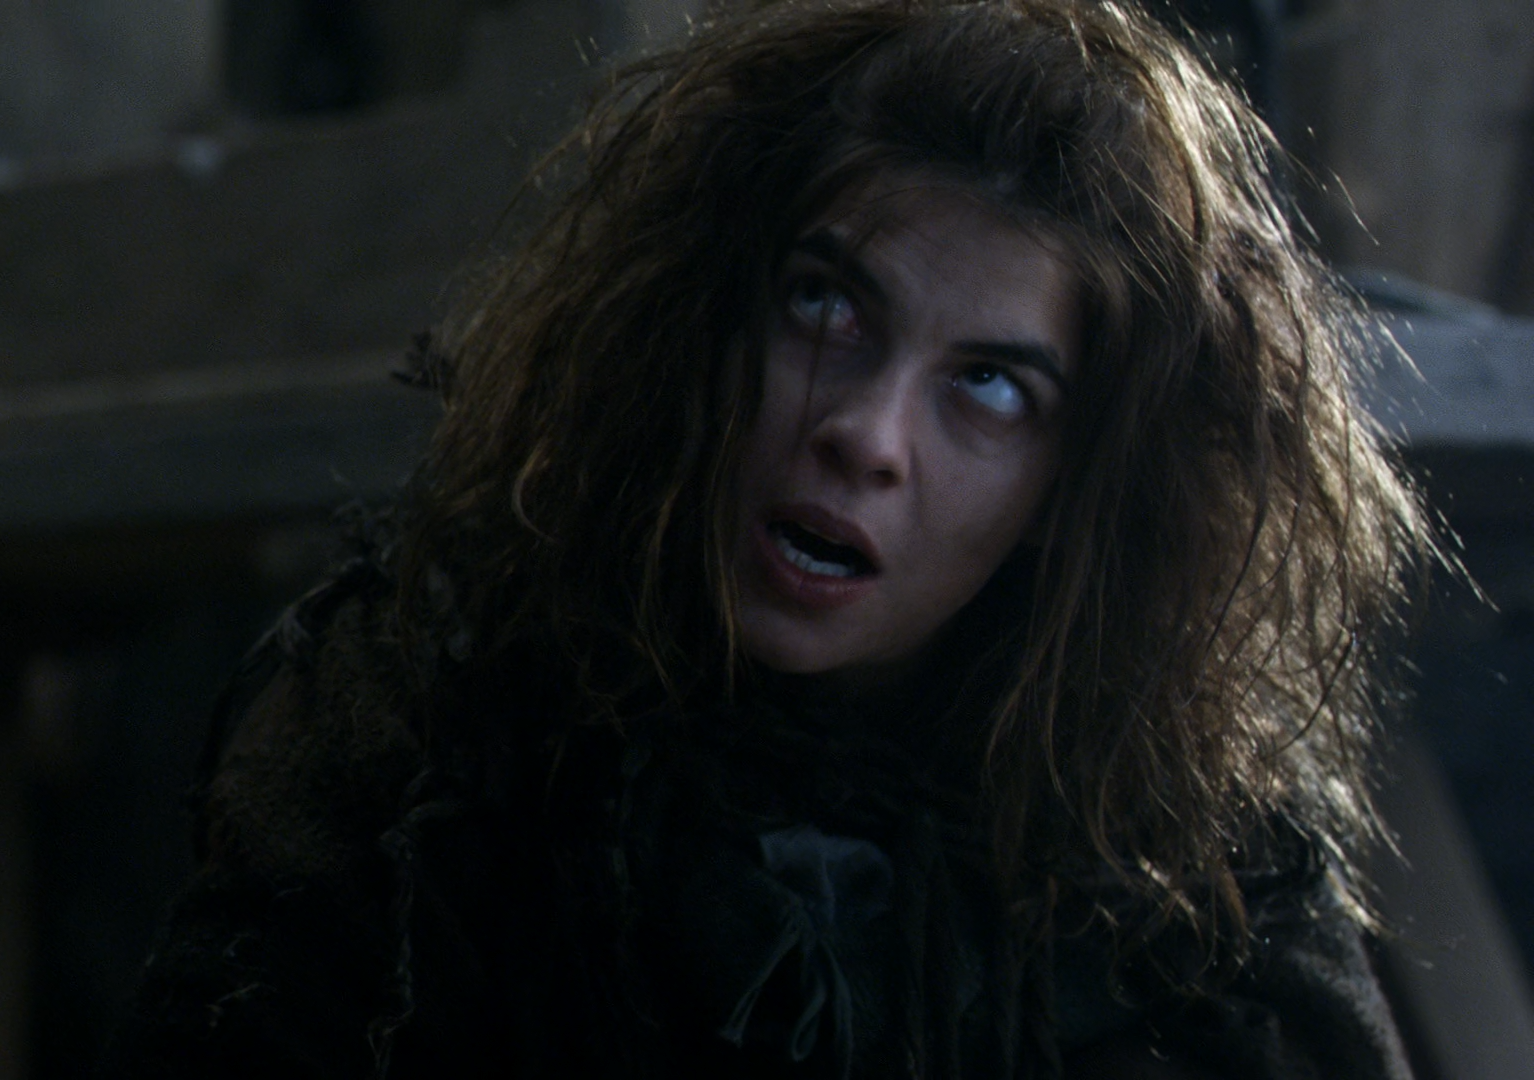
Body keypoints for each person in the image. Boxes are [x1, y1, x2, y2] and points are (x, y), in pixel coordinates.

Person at [117, 1, 1435, 1076]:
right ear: (707, 317)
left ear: (1071, 491)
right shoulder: (427, 743)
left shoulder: (1188, 884)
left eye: (988, 386)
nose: (865, 433)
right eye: (828, 307)